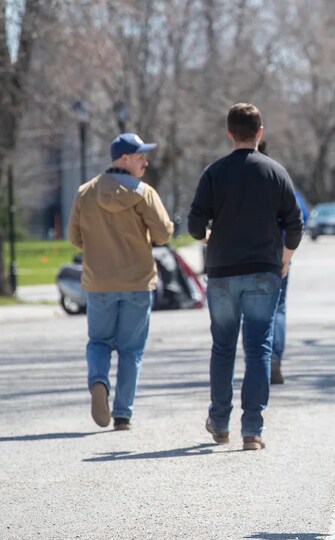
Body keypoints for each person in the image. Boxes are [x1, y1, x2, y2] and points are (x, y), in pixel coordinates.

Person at [188, 103, 304, 450]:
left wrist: (208, 234)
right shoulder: (275, 172)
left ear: (229, 133)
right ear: (260, 132)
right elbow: (295, 225)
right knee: (258, 350)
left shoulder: (214, 173)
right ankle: (252, 429)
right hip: (263, 272)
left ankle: (219, 421)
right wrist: (284, 258)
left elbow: (194, 225)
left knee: (223, 348)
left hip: (222, 272)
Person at [67, 133, 174, 431]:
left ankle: (99, 381)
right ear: (124, 159)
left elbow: (74, 237)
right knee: (131, 349)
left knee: (99, 342)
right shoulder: (144, 193)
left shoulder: (85, 192)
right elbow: (164, 235)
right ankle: (123, 414)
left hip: (98, 282)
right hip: (137, 283)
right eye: (140, 157)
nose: (146, 162)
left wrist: (99, 250)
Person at [258, 140, 311, 385]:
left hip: (243, 256)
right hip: (278, 254)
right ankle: (274, 358)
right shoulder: (278, 175)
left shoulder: (231, 176)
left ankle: (258, 360)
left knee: (251, 310)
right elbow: (300, 215)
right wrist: (287, 255)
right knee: (277, 308)